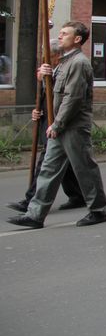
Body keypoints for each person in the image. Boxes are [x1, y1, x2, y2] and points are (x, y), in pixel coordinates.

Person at [8, 22, 106, 229]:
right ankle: (35, 214)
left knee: (84, 168)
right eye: (60, 33)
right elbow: (55, 94)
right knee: (49, 169)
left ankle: (98, 210)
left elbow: (73, 98)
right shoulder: (63, 62)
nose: (60, 36)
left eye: (64, 33)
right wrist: (44, 78)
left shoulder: (78, 63)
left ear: (77, 39)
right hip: (59, 125)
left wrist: (57, 124)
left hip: (73, 126)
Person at [7, 40, 85, 214]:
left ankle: (31, 200)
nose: (44, 58)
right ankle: (78, 195)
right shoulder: (49, 70)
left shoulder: (68, 68)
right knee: (64, 161)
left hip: (60, 122)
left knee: (46, 162)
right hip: (48, 120)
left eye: (47, 54)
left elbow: (67, 97)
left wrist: (57, 122)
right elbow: (45, 96)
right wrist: (38, 110)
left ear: (56, 55)